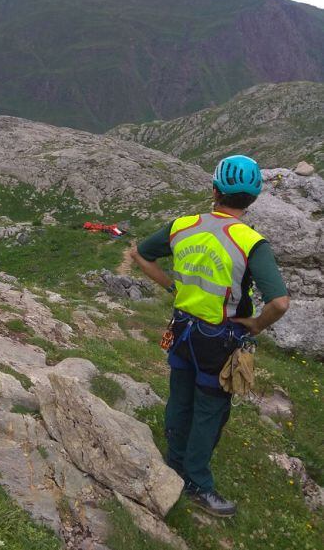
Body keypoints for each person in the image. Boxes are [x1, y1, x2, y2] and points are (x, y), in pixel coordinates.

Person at [131, 155, 290, 517]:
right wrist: (256, 325)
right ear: (252, 198)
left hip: (182, 328)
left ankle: (173, 462)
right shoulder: (251, 242)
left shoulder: (182, 225)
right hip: (221, 339)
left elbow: (142, 255)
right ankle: (197, 484)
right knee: (210, 410)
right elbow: (279, 302)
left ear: (215, 190)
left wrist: (175, 287)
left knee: (180, 396)